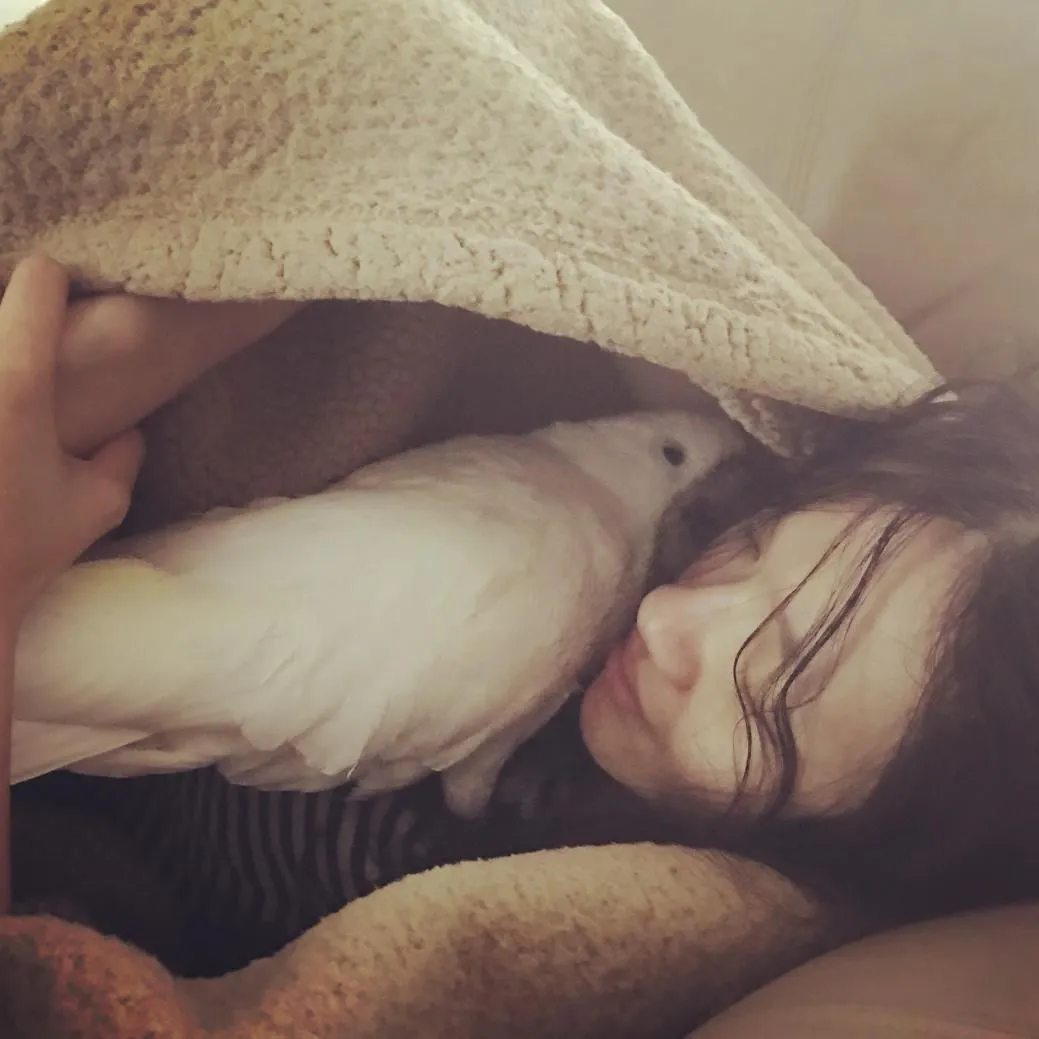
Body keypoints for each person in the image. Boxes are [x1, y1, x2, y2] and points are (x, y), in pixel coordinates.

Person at [8, 257, 1039, 977]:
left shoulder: (557, 912)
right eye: (756, 544)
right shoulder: (587, 561)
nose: (671, 617)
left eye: (770, 694)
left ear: (850, 843)